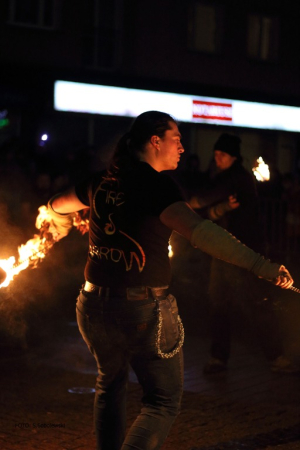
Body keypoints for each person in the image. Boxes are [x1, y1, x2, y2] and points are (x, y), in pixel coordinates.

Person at [46, 112, 293, 450]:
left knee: (110, 385)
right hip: (141, 311)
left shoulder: (102, 180)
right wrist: (261, 266)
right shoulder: (155, 186)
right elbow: (201, 233)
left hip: (92, 306)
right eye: (176, 138)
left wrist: (63, 222)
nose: (182, 147)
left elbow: (55, 205)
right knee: (162, 401)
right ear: (155, 141)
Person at [189, 133, 297, 375]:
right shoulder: (223, 176)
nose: (217, 158)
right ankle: (219, 358)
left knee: (258, 302)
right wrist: (218, 209)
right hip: (223, 250)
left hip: (247, 251)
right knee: (219, 303)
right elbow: (211, 210)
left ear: (233, 157)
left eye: (222, 155)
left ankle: (276, 355)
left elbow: (202, 200)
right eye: (216, 154)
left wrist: (186, 205)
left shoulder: (236, 177)